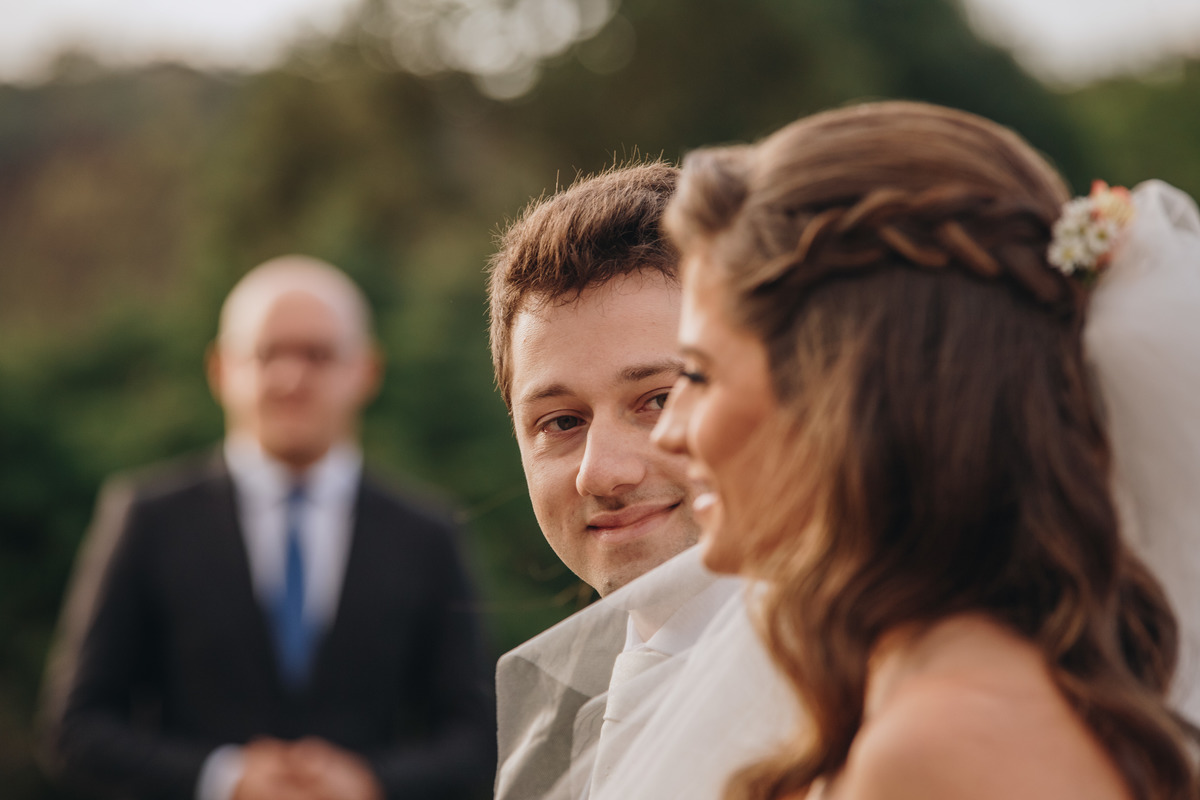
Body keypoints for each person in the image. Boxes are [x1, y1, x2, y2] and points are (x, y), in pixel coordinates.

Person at [644, 101, 1200, 799]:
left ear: (843, 393)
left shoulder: (945, 747)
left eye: (698, 375)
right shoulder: (969, 689)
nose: (668, 433)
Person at [40, 256, 496, 800]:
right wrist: (223, 778)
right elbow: (75, 728)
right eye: (266, 354)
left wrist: (371, 783)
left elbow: (477, 737)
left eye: (318, 355)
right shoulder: (148, 518)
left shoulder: (426, 534)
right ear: (220, 369)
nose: (290, 378)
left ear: (366, 371)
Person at [487, 162, 791, 799]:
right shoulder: (554, 725)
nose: (602, 471)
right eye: (562, 421)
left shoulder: (863, 697)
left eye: (659, 400)